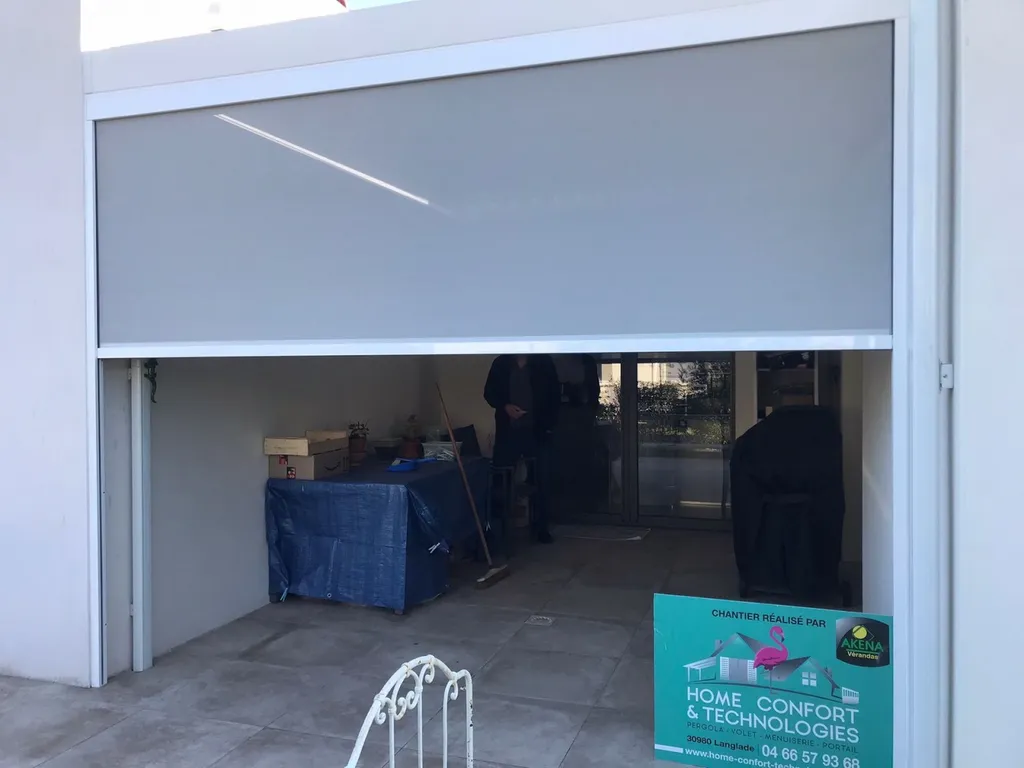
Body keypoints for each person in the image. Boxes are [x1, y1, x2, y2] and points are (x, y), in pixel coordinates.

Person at [484, 354, 561, 543]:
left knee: (542, 479)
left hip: (538, 432)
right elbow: (489, 393)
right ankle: (498, 531)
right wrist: (505, 406)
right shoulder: (501, 363)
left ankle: (541, 528)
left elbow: (553, 395)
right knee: (501, 481)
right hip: (508, 432)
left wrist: (549, 425)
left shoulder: (543, 363)